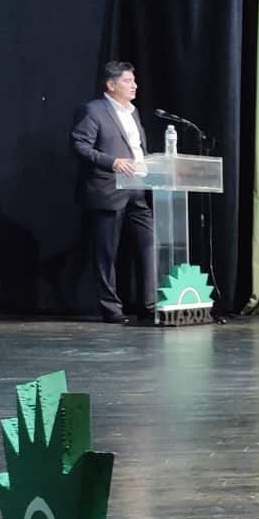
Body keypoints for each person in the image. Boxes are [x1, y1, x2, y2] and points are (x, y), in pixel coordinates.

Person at [69, 60, 157, 323]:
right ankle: (111, 309)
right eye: (128, 81)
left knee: (149, 245)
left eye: (134, 81)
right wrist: (113, 161)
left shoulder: (133, 112)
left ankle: (149, 304)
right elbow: (79, 145)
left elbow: (136, 148)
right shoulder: (93, 111)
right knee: (106, 253)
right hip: (107, 190)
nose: (135, 86)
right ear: (111, 85)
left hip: (137, 189)